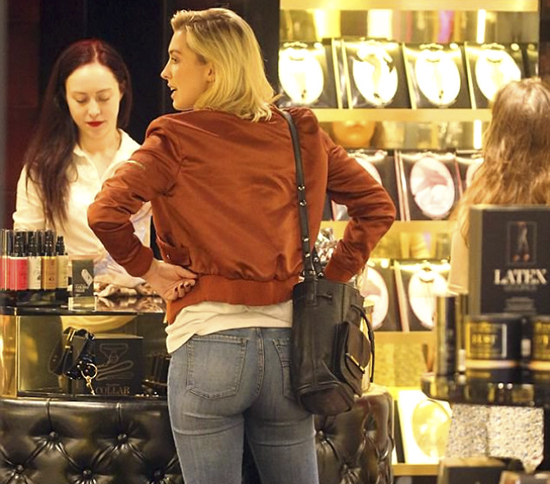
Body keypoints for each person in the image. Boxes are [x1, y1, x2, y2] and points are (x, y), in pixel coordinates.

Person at [88, 8, 396, 484]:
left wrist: (149, 270)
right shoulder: (299, 132)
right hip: (289, 352)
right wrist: (328, 281)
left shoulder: (173, 137)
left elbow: (105, 212)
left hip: (206, 345)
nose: (165, 72)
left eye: (176, 59)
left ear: (212, 70)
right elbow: (377, 206)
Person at [446, 77, 548, 471]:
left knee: (488, 472)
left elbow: (459, 291)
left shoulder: (478, 193)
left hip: (488, 365)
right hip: (543, 367)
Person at [12, 38, 151, 290]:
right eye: (81, 99)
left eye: (103, 97)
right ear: (64, 98)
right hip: (64, 303)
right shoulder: (42, 168)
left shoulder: (144, 161)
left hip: (134, 303)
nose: (94, 111)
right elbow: (25, 247)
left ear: (121, 90)